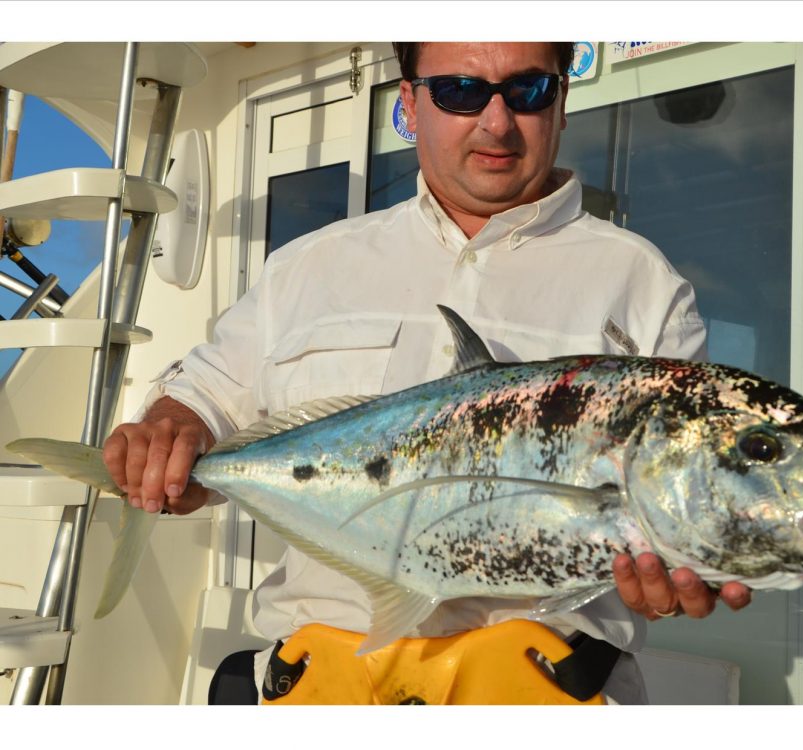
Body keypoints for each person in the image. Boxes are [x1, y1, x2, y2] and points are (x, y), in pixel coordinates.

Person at [103, 41, 751, 703]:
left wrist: (671, 578)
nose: (497, 122)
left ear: (561, 100)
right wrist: (167, 436)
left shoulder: (643, 284)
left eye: (527, 90)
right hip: (318, 695)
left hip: (542, 701)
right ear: (410, 101)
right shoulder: (306, 269)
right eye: (460, 91)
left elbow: (670, 489)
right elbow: (204, 401)